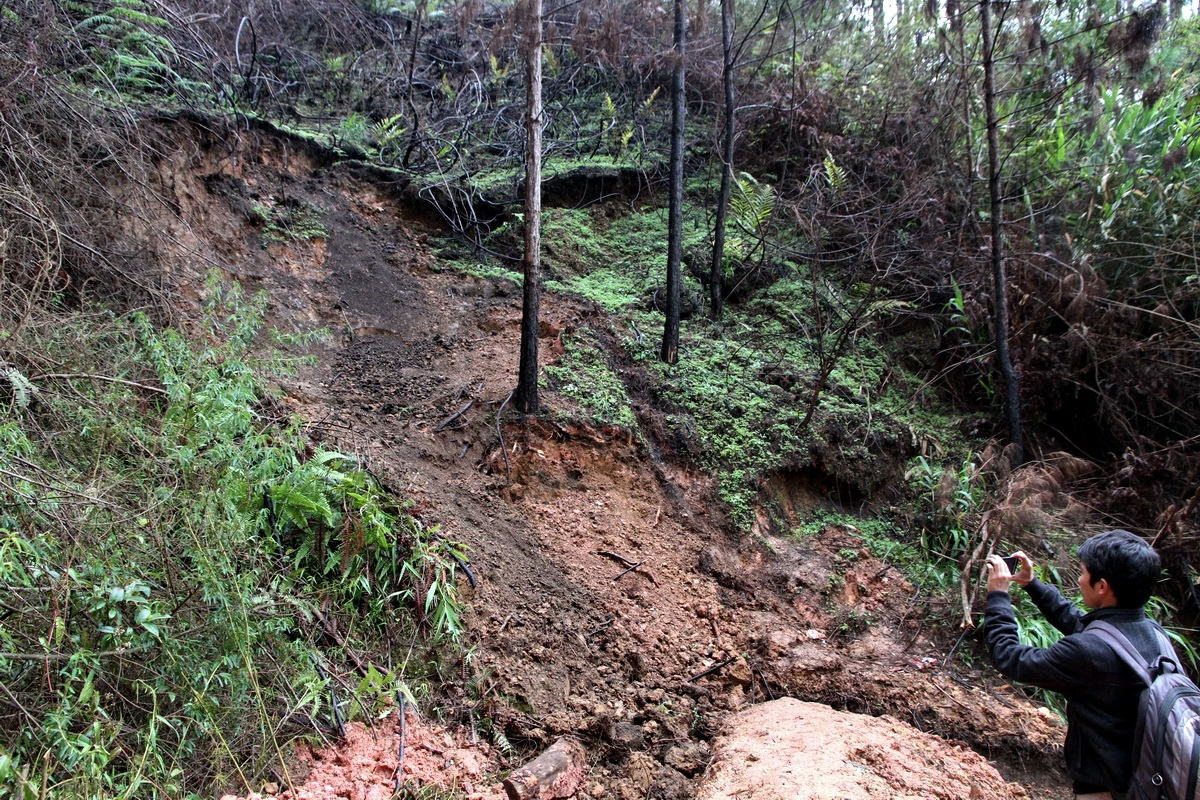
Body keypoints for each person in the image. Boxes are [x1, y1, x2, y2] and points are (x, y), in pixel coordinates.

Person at [984, 529, 1166, 800]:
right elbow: (1083, 624)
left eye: (1082, 573)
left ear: (1102, 586)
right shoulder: (1152, 632)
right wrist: (1033, 584)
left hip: (1107, 791)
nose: (1080, 580)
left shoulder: (1088, 653)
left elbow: (1009, 657)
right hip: (1150, 781)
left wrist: (998, 596)